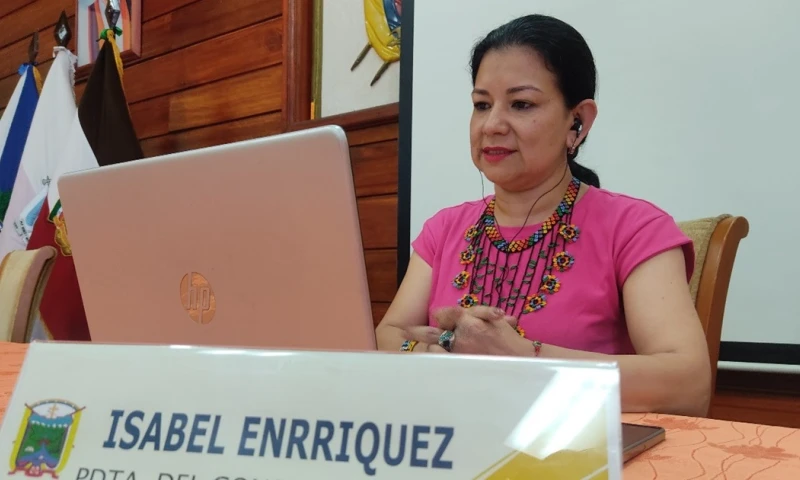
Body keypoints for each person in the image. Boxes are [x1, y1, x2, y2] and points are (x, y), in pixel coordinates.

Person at [375, 14, 711, 416]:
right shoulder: (445, 228)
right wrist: (440, 351)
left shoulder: (634, 228)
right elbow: (387, 335)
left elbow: (688, 383)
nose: (492, 124)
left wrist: (520, 358)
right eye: (482, 105)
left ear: (577, 122)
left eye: (521, 104)